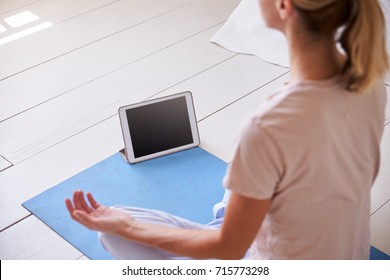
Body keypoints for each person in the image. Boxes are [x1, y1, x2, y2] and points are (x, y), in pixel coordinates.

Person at [65, 0, 388, 259]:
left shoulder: (268, 128)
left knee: (110, 230)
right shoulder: (369, 79)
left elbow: (228, 250)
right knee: (246, 175)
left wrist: (128, 227)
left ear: (284, 6)